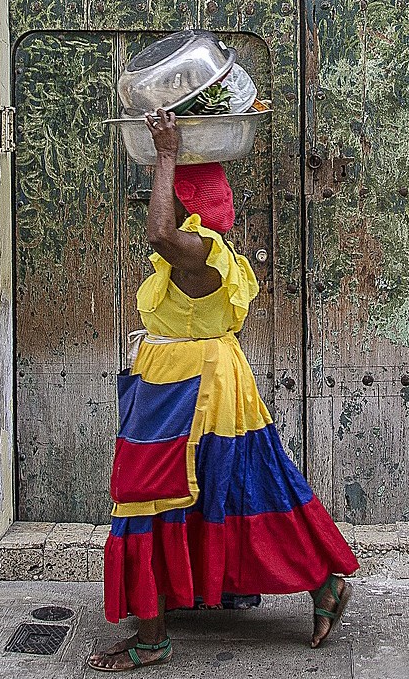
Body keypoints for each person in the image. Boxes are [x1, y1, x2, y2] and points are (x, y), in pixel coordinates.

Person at [86, 109, 360, 672]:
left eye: (172, 196)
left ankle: (152, 639)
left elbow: (158, 231)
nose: (160, 205)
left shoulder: (200, 256)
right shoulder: (214, 257)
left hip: (186, 395)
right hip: (201, 385)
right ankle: (324, 583)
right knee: (242, 489)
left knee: (145, 496)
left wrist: (165, 155)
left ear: (189, 209)